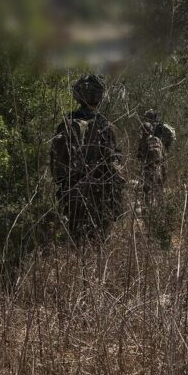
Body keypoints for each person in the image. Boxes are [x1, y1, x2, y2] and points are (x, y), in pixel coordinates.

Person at [50, 74, 125, 246]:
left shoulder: (66, 124)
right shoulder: (106, 126)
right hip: (100, 194)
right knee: (99, 242)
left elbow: (56, 165)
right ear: (100, 98)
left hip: (73, 193)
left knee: (75, 239)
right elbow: (115, 164)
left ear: (77, 96)